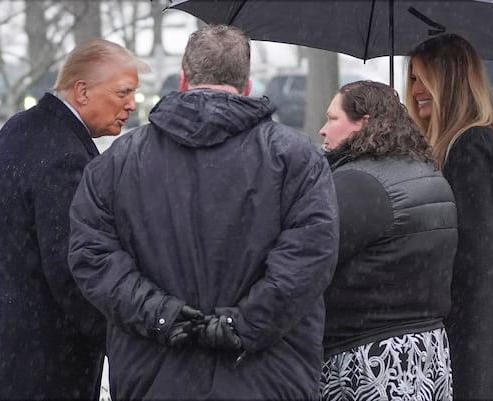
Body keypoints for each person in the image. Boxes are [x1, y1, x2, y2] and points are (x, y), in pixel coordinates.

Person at [67, 24, 339, 401]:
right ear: (246, 84)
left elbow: (92, 257)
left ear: (183, 78)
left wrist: (160, 313)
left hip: (154, 377)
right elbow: (309, 261)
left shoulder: (116, 164)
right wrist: (243, 325)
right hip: (269, 377)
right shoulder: (297, 159)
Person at [0, 38, 151, 400]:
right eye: (123, 92)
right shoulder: (64, 158)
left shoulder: (21, 127)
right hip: (39, 367)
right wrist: (126, 344)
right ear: (83, 91)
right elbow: (75, 273)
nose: (132, 105)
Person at [405, 33, 493, 400]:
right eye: (412, 78)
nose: (415, 89)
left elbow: (472, 254)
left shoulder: (469, 146)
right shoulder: (467, 142)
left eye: (423, 77)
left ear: (451, 81)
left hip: (470, 327)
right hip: (477, 324)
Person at [318, 80, 458, 401]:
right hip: (426, 349)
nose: (323, 130)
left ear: (363, 123)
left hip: (368, 355)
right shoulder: (429, 174)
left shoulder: (358, 184)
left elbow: (313, 259)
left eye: (333, 119)